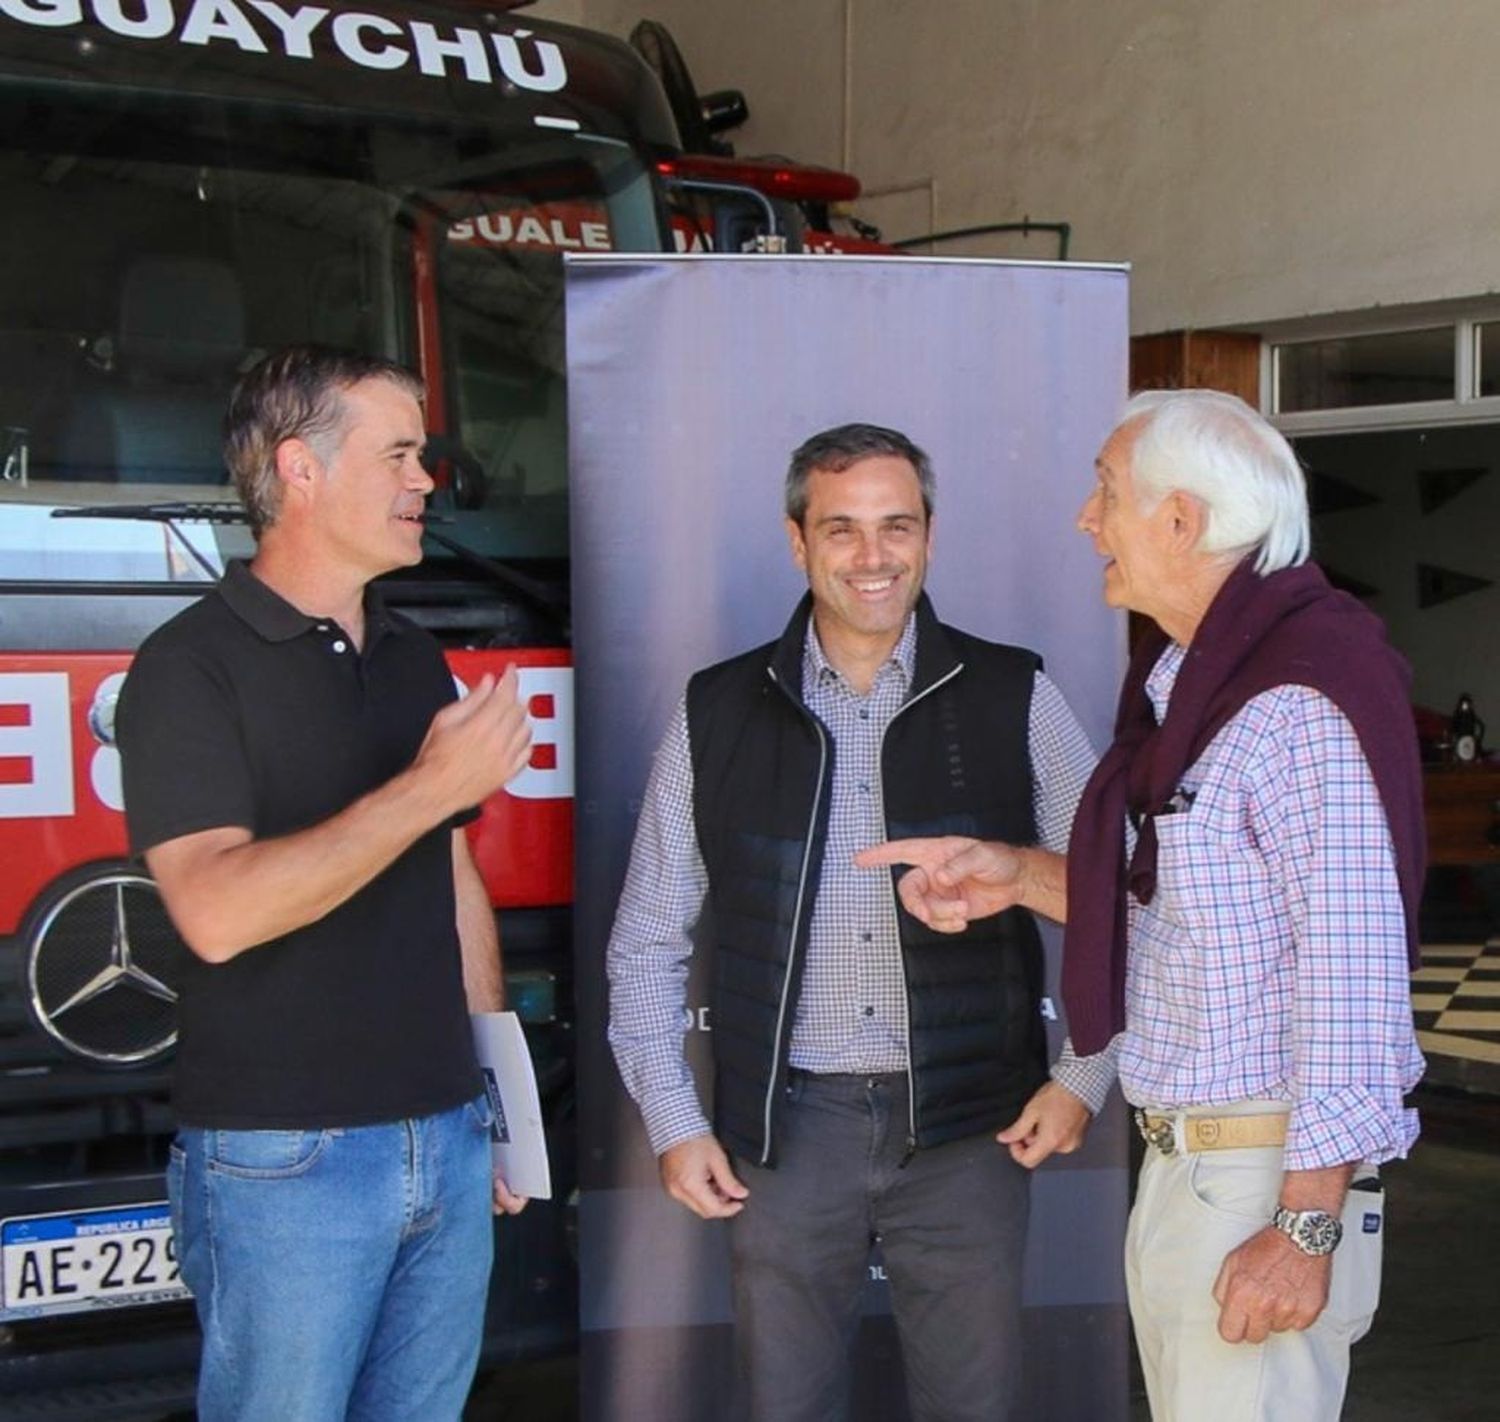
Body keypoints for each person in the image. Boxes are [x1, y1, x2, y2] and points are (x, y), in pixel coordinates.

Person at [864, 390, 1426, 1422]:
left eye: (1107, 492)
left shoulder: (1294, 704)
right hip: (1198, 1175)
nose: (1088, 520)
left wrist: (1304, 1229)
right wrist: (1015, 874)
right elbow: (1189, 917)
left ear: (1182, 520)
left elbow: (1353, 976)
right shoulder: (1199, 689)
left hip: (1260, 1181)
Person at [605, 423, 1103, 1422]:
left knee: (977, 1409)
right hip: (788, 1134)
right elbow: (648, 942)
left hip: (971, 1132)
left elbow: (1113, 898)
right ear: (797, 542)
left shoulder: (1017, 695)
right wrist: (674, 1119)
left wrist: (1084, 1075)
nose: (873, 557)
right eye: (842, 530)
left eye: (897, 527)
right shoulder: (717, 711)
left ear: (929, 535)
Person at [117, 346, 534, 1422]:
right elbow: (215, 912)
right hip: (284, 1162)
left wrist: (495, 1101)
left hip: (444, 1138)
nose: (427, 480)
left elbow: (452, 875)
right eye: (401, 453)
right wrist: (429, 784)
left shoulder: (412, 658)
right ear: (300, 470)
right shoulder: (187, 667)